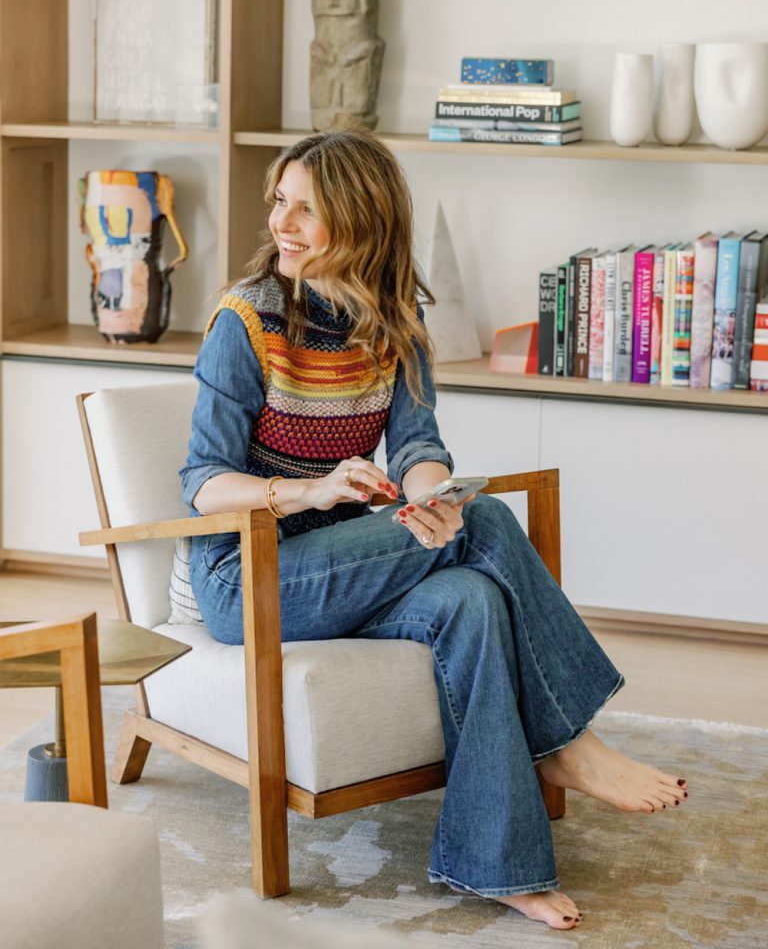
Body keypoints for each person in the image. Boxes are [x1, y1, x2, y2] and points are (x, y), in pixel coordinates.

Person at [180, 130, 688, 931]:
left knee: (470, 596)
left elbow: (417, 445)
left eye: (308, 207)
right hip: (250, 576)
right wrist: (312, 489)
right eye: (281, 200)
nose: (284, 221)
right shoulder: (245, 322)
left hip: (349, 562)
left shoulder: (394, 321)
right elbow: (203, 480)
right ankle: (567, 740)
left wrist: (432, 499)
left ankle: (500, 863)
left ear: (363, 217)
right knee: (485, 523)